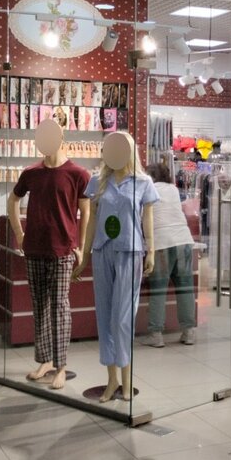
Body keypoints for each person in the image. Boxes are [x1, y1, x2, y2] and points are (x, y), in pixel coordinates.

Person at [6, 119, 90, 391]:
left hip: (62, 249)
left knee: (59, 306)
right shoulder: (31, 172)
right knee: (40, 305)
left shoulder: (78, 174)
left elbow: (86, 212)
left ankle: (61, 366)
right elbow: (13, 200)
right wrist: (19, 233)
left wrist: (80, 246)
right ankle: (44, 360)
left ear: (62, 138)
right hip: (34, 248)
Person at [73, 132, 157, 402]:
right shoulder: (97, 181)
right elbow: (91, 220)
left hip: (130, 251)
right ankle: (111, 380)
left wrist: (151, 250)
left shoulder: (143, 183)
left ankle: (127, 379)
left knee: (123, 318)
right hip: (102, 251)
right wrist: (85, 254)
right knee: (105, 314)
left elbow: (147, 220)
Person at [142, 163, 197, 347]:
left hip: (161, 242)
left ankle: (156, 334)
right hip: (183, 239)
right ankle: (188, 332)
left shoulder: (147, 188)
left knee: (158, 289)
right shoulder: (173, 189)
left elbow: (143, 216)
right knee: (185, 288)